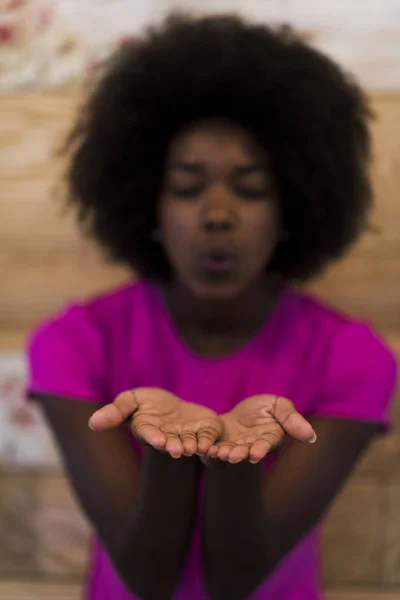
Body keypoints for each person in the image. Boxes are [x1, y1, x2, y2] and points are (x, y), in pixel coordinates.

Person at [26, 12, 397, 600]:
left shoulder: (353, 358)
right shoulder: (74, 342)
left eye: (250, 187)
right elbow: (146, 578)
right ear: (147, 202)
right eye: (187, 185)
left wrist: (233, 464)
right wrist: (171, 457)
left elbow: (236, 582)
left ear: (293, 209)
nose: (217, 214)